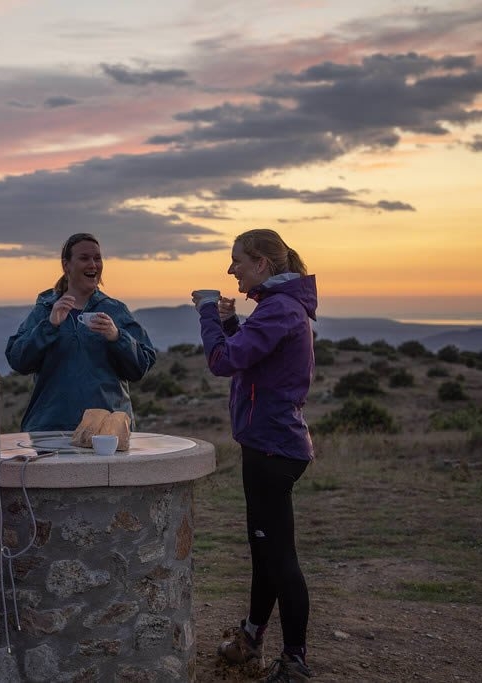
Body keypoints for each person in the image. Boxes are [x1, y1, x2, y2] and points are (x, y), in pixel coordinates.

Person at [192, 228, 317, 683]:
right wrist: (229, 324)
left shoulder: (279, 309)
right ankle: (251, 637)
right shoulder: (278, 308)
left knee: (279, 556)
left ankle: (294, 661)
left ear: (261, 264)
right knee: (264, 548)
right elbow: (250, 357)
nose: (231, 270)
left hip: (272, 447)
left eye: (237, 261)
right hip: (270, 443)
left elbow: (223, 362)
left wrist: (207, 313)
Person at [5, 232, 156, 432]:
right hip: (50, 431)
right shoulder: (46, 309)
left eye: (97, 258)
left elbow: (141, 365)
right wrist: (49, 327)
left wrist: (117, 337)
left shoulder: (115, 310)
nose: (93, 264)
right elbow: (18, 359)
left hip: (106, 432)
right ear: (66, 265)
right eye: (84, 258)